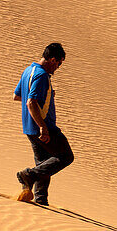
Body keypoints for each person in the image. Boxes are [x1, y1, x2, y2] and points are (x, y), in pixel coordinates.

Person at [14, 43, 73, 205]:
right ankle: (29, 175)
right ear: (53, 60)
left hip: (29, 128)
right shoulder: (41, 75)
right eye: (59, 63)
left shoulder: (28, 71)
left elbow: (17, 96)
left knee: (44, 164)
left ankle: (40, 200)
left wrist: (46, 95)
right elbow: (30, 102)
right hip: (43, 127)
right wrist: (43, 127)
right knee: (65, 156)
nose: (58, 67)